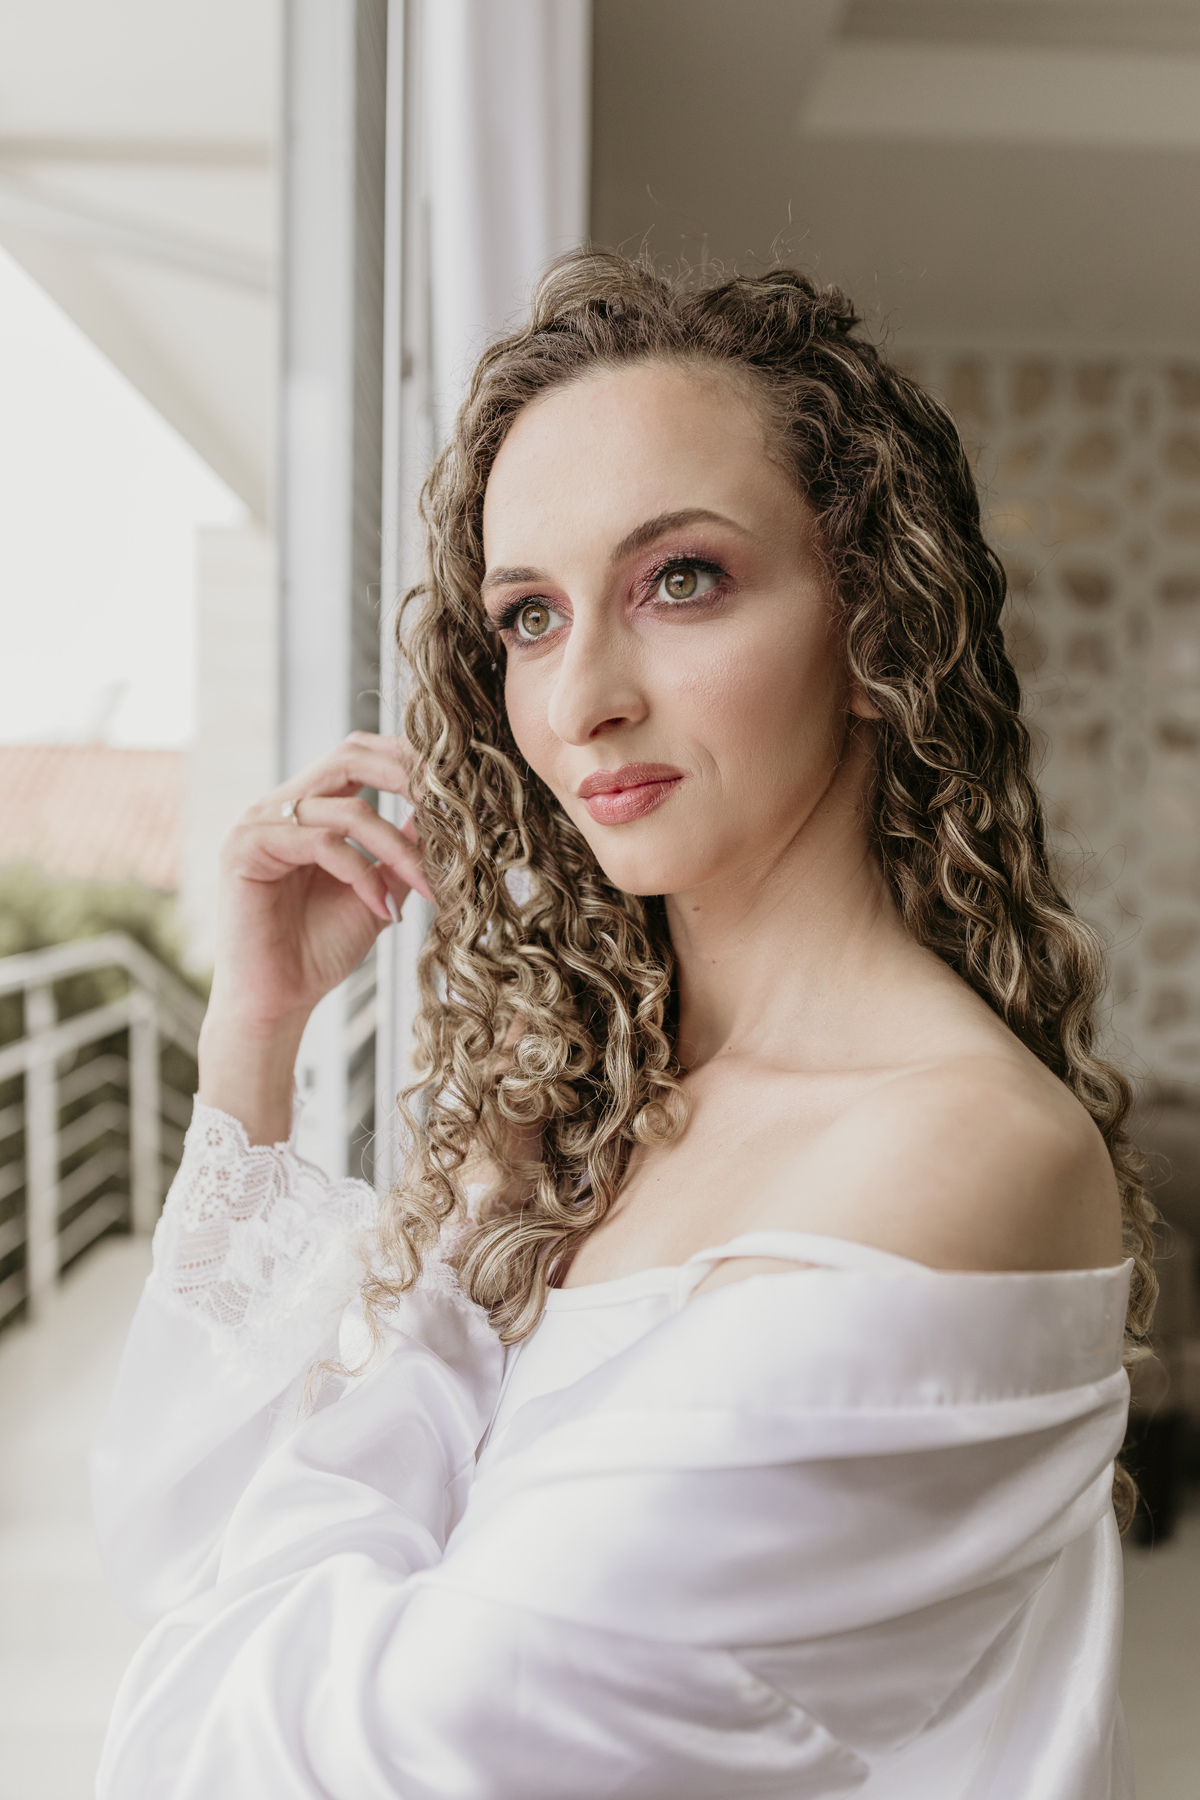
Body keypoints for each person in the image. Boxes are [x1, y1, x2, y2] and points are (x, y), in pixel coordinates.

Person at [92, 252, 1154, 1798]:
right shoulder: (595, 1117)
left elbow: (363, 1754)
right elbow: (176, 1535)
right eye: (529, 615)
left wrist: (441, 1312)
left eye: (681, 580)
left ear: (872, 620)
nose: (582, 694)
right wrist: (259, 1034)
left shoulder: (960, 1154)